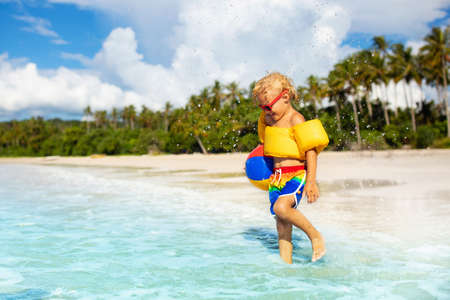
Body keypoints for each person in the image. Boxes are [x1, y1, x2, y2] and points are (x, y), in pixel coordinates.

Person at [252, 72, 327, 264]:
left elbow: (310, 152)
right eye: (262, 107)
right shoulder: (269, 120)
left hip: (296, 175)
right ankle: (286, 267)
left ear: (285, 96)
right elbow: (268, 150)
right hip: (276, 178)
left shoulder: (296, 119)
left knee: (281, 207)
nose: (266, 111)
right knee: (281, 224)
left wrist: (311, 181)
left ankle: (315, 235)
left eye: (268, 106)